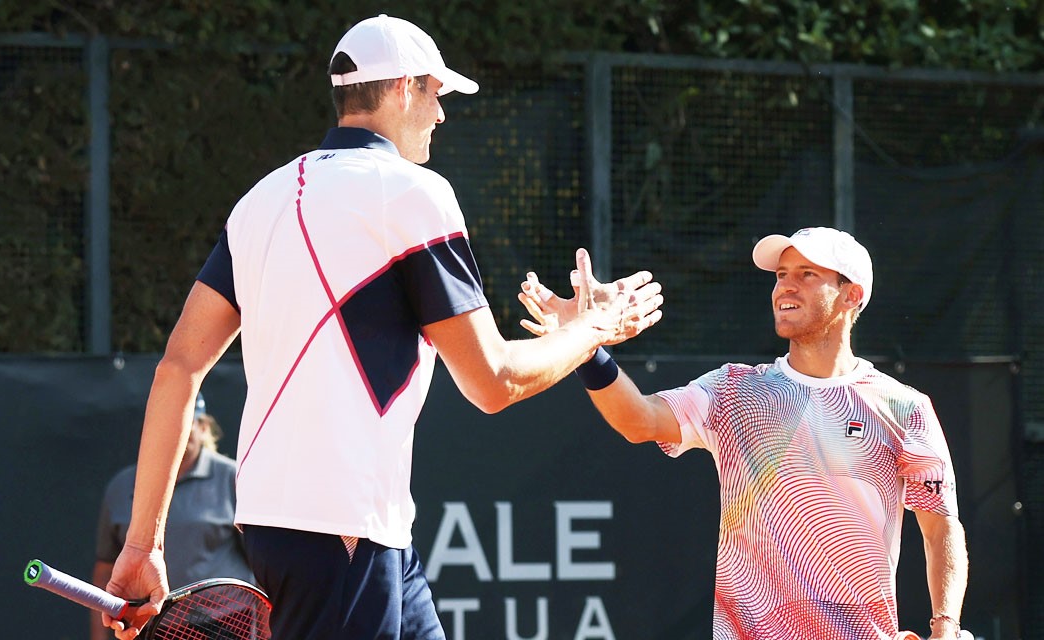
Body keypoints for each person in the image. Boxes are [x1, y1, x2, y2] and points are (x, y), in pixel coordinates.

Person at [100, 13, 663, 640]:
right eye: (435, 93)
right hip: (340, 530)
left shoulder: (260, 201)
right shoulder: (413, 194)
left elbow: (179, 366)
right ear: (402, 88)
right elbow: (494, 381)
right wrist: (595, 327)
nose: (441, 114)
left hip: (332, 527)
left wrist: (142, 543)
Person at [518, 227, 969, 640]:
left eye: (807, 274)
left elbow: (941, 527)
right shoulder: (735, 391)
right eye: (781, 274)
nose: (786, 286)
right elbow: (639, 419)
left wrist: (945, 627)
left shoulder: (905, 408)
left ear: (851, 295)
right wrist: (586, 346)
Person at [90, 392, 254, 640]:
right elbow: (105, 568)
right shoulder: (121, 486)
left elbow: (262, 563)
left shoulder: (233, 478)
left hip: (227, 624)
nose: (177, 430)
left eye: (188, 421)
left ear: (204, 427)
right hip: (150, 624)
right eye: (167, 423)